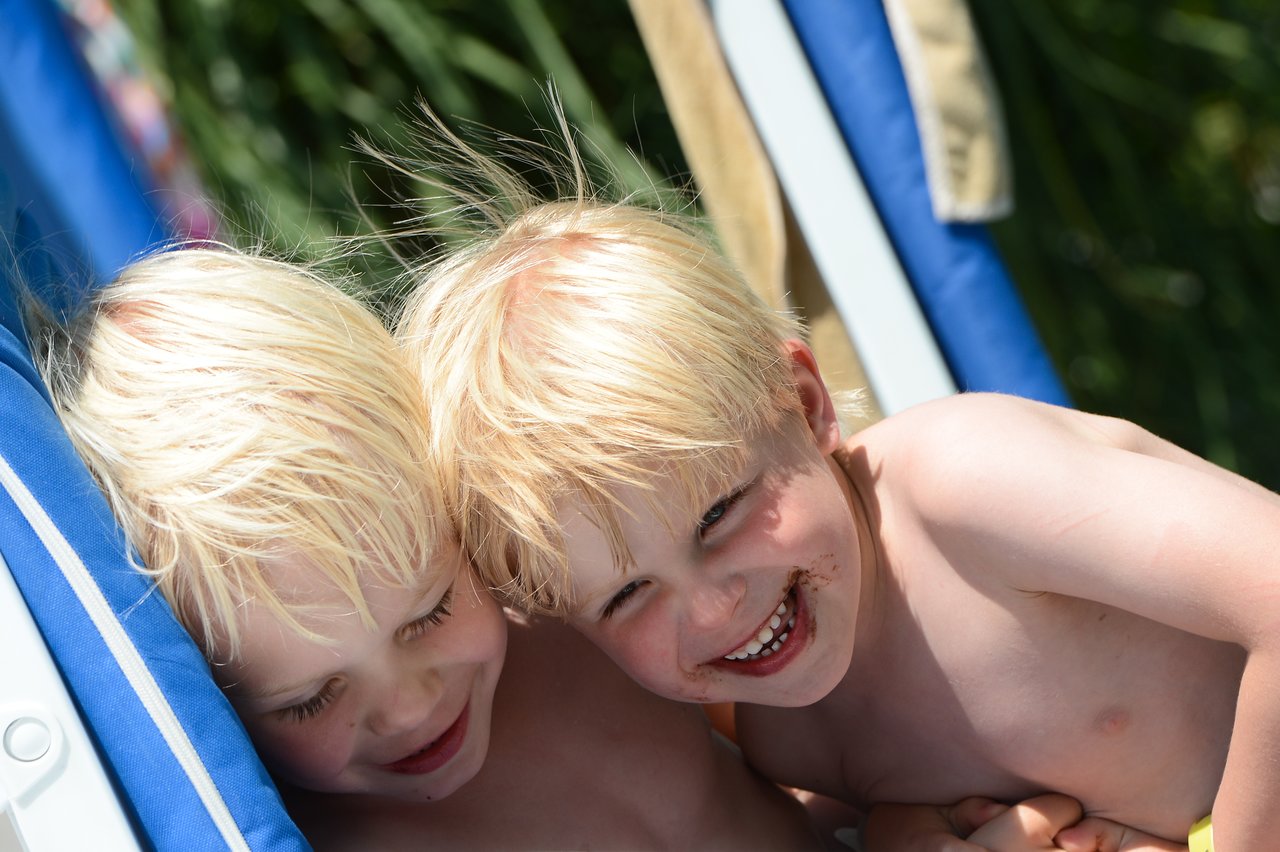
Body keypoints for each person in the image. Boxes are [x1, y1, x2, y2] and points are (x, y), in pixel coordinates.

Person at [392, 115, 1278, 852]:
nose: (710, 609)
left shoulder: (960, 492)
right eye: (626, 594)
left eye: (719, 514)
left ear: (807, 402)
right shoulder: (788, 730)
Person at [29, 245, 823, 850]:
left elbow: (811, 755)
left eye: (430, 614)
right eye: (312, 697)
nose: (410, 706)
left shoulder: (583, 614)